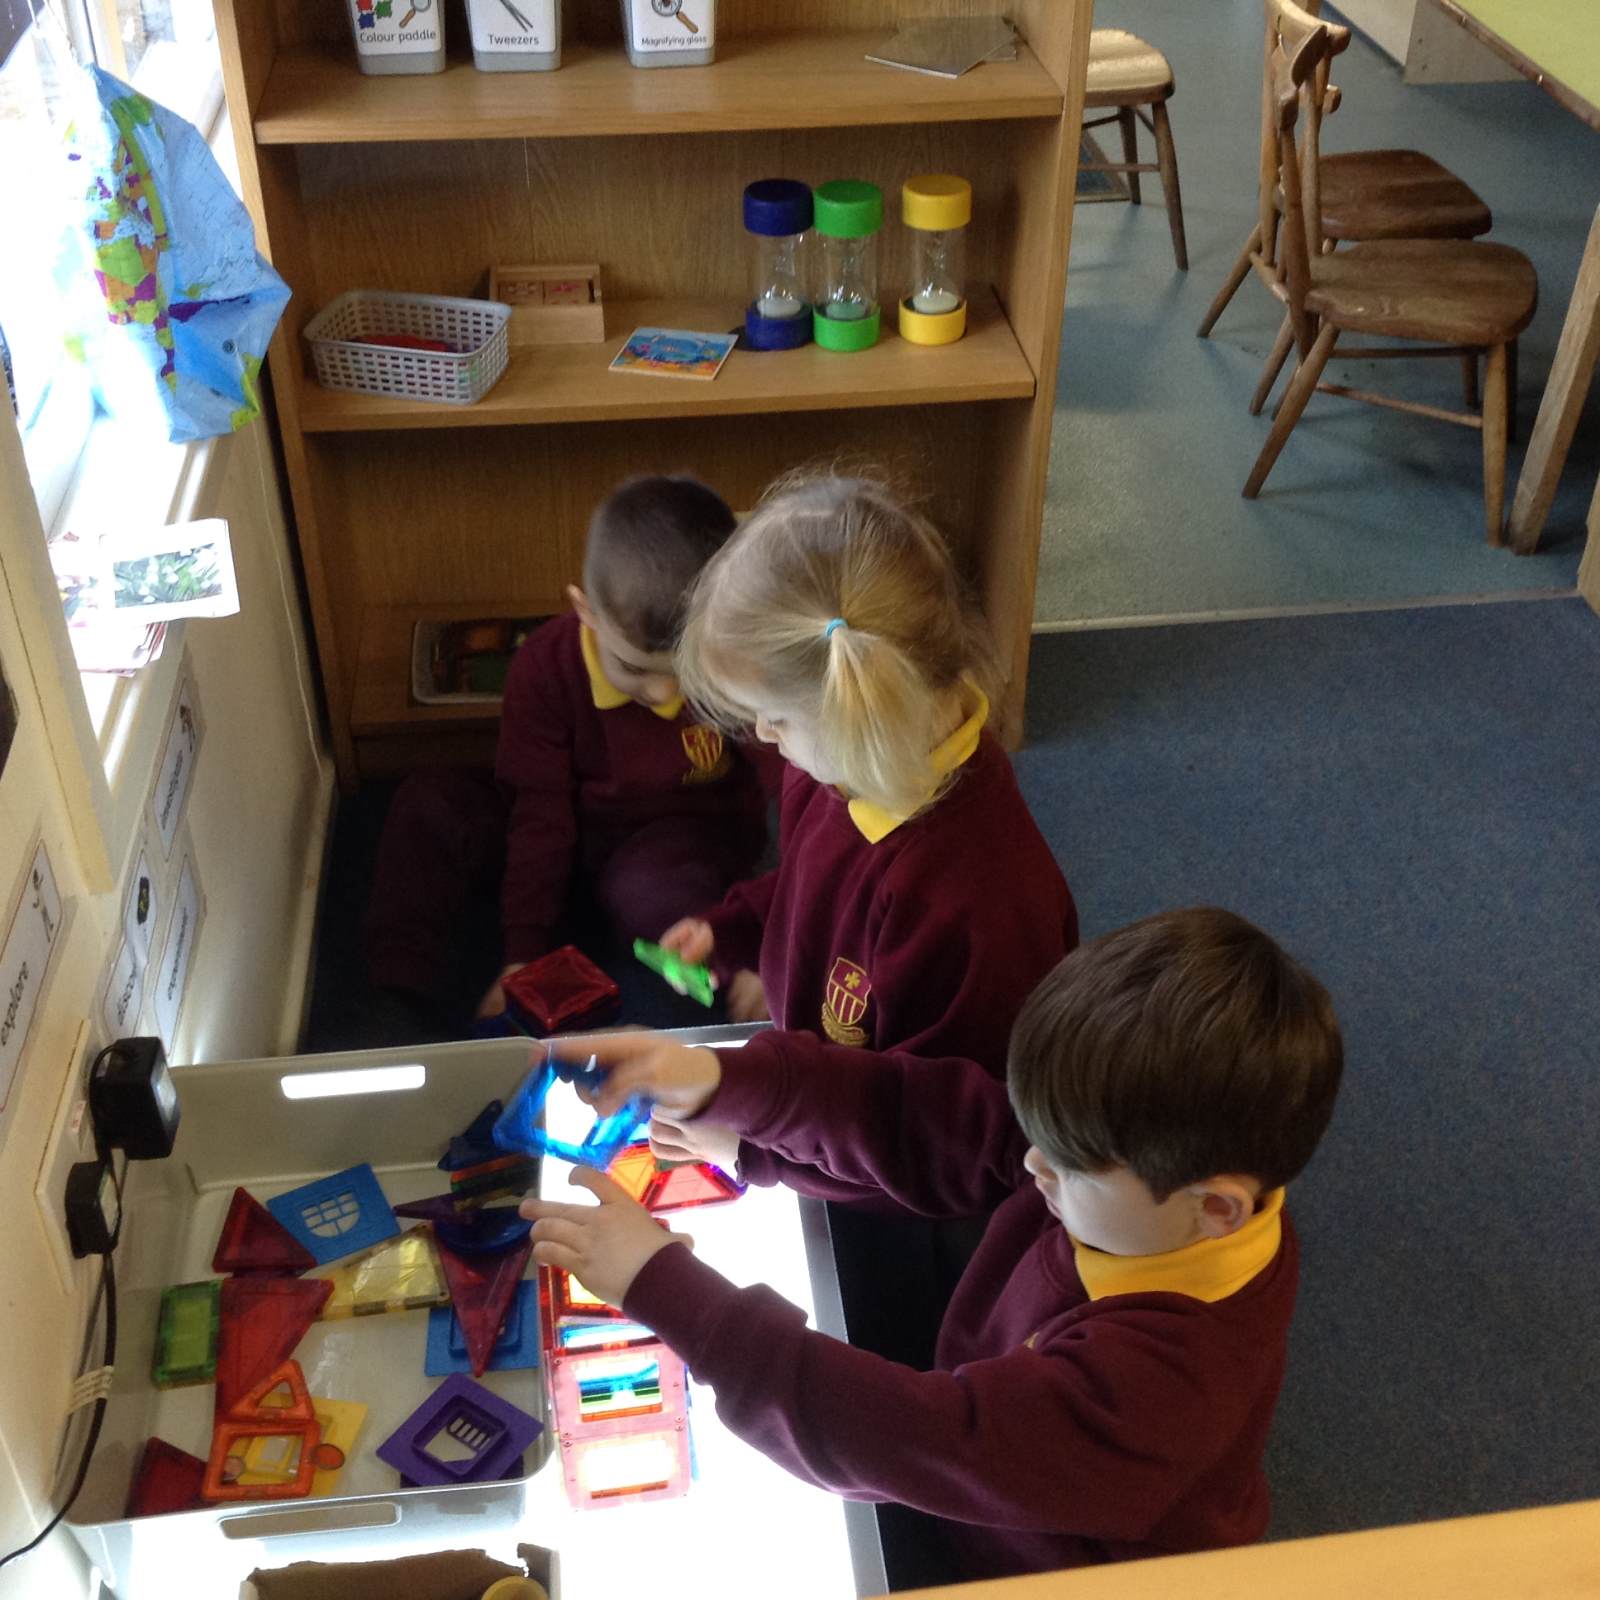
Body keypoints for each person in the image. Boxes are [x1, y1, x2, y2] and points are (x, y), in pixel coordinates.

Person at [520, 908, 1344, 1588]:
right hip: (1004, 1467)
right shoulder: (1139, 1177)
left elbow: (918, 1438)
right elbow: (926, 1118)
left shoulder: (1159, 1393)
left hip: (1052, 1562)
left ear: (1217, 1208)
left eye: (1066, 1166)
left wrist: (666, 1288)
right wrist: (725, 1084)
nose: (1032, 1166)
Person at [656, 472, 1077, 1166]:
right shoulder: (842, 770)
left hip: (894, 1186)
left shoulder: (977, 906)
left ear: (857, 710)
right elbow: (818, 885)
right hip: (825, 1122)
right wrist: (732, 928)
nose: (762, 734)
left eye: (776, 716)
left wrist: (758, 1153)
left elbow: (949, 1142)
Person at [364, 475, 772, 1030]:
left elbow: (792, 800)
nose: (663, 694)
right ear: (586, 611)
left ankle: (708, 982)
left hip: (671, 849)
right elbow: (540, 816)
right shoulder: (544, 665)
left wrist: (760, 942)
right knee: (430, 805)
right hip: (562, 834)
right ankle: (395, 998)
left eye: (685, 671)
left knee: (654, 890)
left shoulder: (734, 663)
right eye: (634, 668)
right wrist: (523, 954)